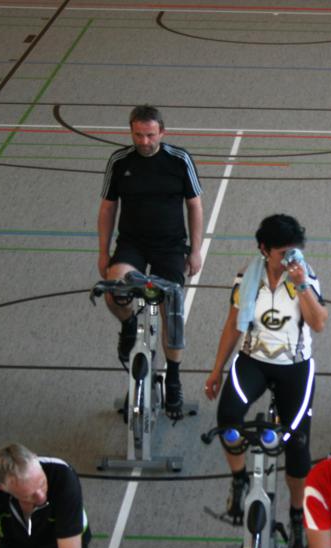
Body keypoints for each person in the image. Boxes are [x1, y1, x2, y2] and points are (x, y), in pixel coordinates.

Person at [203, 214, 327, 548]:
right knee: (228, 419)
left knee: (298, 445)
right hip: (253, 361)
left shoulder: (304, 275)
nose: (290, 259)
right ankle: (239, 479)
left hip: (295, 367)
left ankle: (297, 513)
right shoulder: (247, 278)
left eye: (294, 251)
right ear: (264, 250)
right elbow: (233, 324)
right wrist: (216, 370)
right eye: (282, 253)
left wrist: (302, 286)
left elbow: (319, 323)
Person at [97, 104, 203, 417]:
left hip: (170, 247)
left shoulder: (179, 160)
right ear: (131, 132)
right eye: (138, 135)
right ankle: (129, 324)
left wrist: (195, 250)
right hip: (132, 245)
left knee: (172, 310)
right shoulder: (119, 161)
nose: (144, 141)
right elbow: (108, 208)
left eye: (150, 135)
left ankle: (173, 377)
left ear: (162, 132)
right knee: (114, 289)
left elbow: (194, 206)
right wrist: (103, 251)